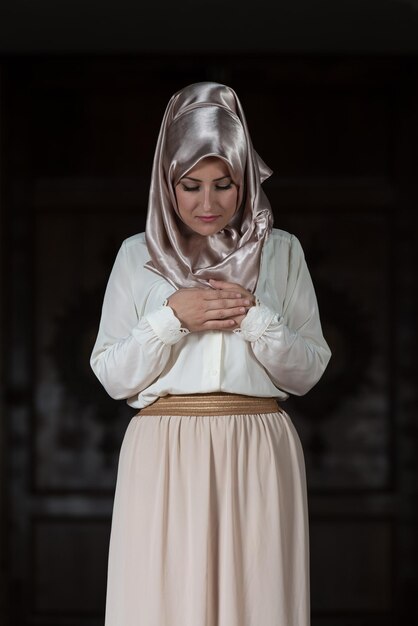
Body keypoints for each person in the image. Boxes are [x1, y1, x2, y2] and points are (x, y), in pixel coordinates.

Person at [90, 81, 331, 626]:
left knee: (259, 596)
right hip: (164, 447)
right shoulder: (137, 256)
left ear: (245, 181)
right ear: (166, 185)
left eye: (224, 185)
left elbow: (308, 371)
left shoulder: (281, 251)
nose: (207, 203)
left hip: (258, 442)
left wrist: (254, 318)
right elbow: (111, 374)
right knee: (162, 598)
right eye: (190, 185)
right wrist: (172, 317)